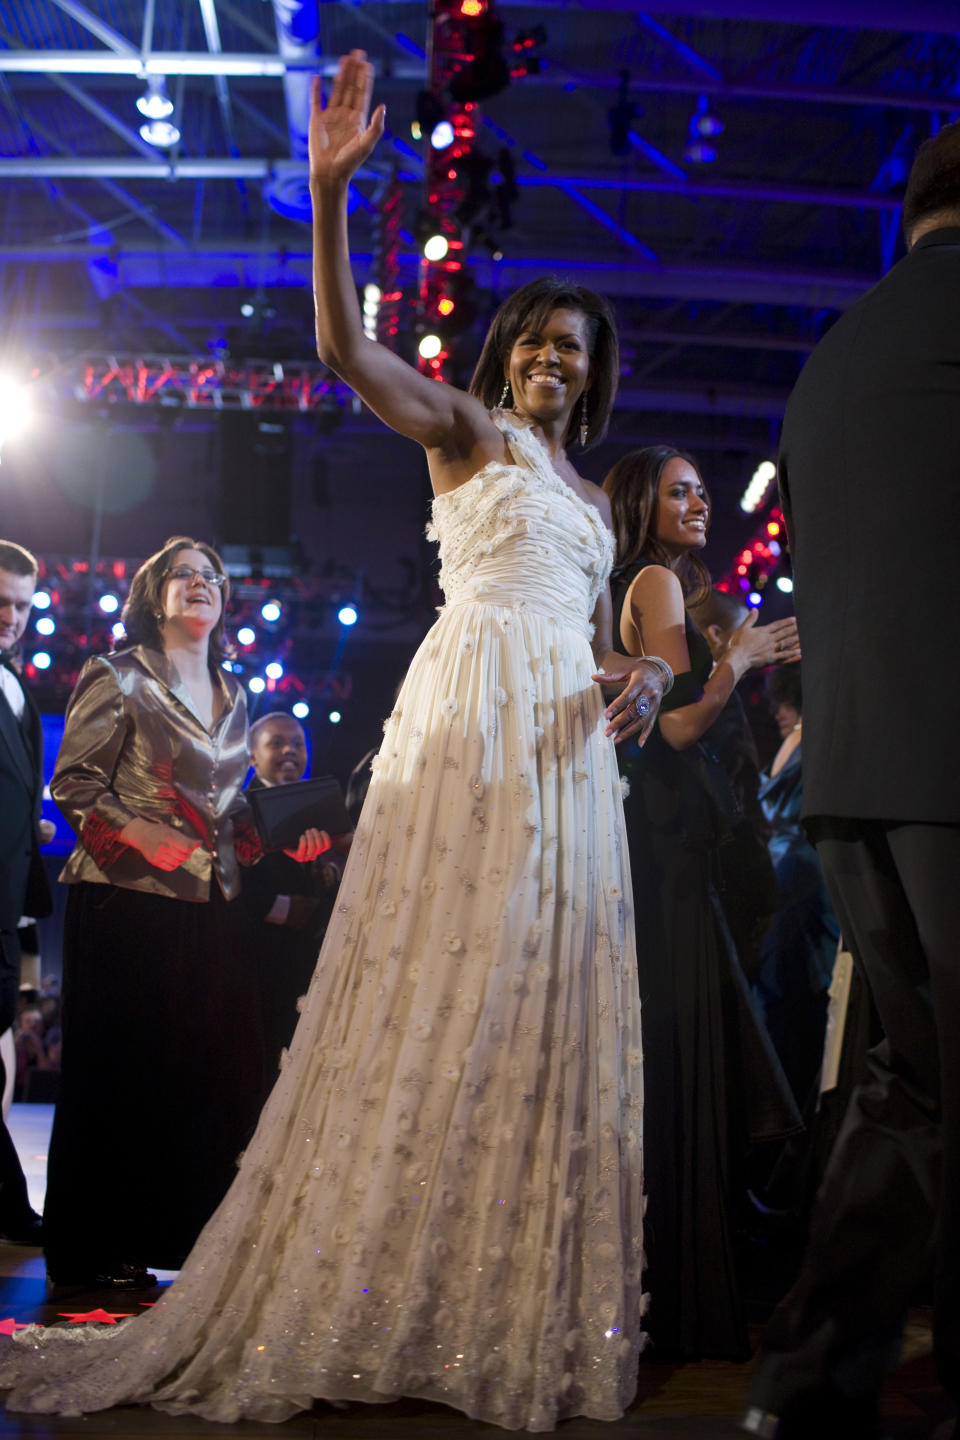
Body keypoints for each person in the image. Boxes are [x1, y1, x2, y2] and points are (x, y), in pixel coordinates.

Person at [0, 52, 670, 1429]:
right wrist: (329, 197)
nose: (551, 358)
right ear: (506, 358)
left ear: (597, 379)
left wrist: (646, 679)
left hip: (566, 762)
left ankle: (486, 1297)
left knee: (536, 1009)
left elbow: (600, 640)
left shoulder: (599, 500)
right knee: (437, 990)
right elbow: (345, 354)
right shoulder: (466, 432)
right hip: (466, 731)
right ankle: (363, 1283)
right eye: (536, 338)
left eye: (574, 349)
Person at [741, 121, 960, 1440]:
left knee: (908, 1083)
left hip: (851, 772)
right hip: (950, 766)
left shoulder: (843, 348)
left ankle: (810, 1377)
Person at [41, 538, 328, 1290]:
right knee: (124, 1076)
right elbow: (72, 783)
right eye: (184, 576)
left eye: (213, 578)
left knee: (209, 1077)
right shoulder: (117, 674)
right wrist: (143, 836)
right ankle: (104, 1247)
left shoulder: (237, 692)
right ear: (154, 593)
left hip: (215, 904)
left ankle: (195, 1240)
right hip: (126, 898)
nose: (200, 586)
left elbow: (230, 807)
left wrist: (276, 835)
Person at [603, 446, 801, 1361]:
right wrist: (742, 662)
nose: (700, 502)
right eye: (680, 491)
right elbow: (679, 726)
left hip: (656, 835)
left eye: (702, 491)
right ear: (645, 501)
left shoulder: (634, 582)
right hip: (670, 838)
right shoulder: (656, 580)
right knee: (681, 1042)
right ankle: (682, 1292)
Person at [754, 665, 839, 1111]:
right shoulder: (806, 740)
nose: (777, 714)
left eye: (784, 703)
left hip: (801, 876)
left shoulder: (808, 739)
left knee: (794, 986)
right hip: (795, 874)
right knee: (789, 984)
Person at [243, 711, 346, 1080]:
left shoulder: (319, 804)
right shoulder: (238, 809)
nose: (290, 751)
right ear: (252, 756)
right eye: (277, 743)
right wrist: (282, 908)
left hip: (310, 964)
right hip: (255, 967)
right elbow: (224, 881)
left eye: (298, 744)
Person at [0, 540, 52, 1245]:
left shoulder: (21, 689)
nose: (8, 615)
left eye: (20, 605)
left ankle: (10, 1208)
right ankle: (11, 1208)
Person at [687, 587, 779, 982]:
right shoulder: (713, 707)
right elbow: (736, 801)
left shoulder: (692, 703)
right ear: (716, 635)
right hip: (730, 883)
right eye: (748, 632)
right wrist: (764, 890)